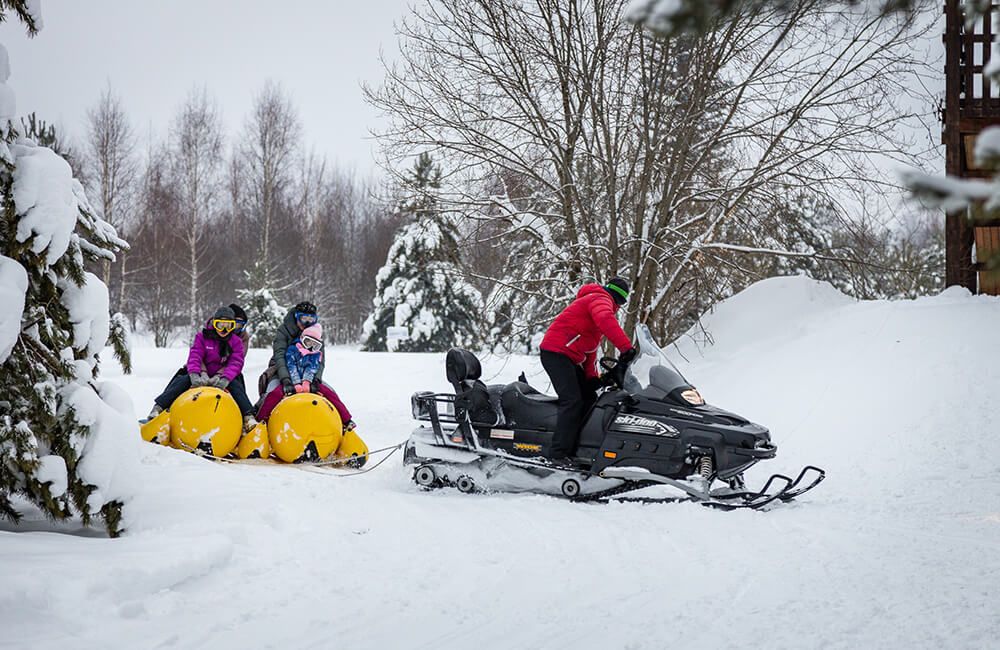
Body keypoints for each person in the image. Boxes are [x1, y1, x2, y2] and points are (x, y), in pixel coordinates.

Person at [538, 277, 637, 463]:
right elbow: (605, 319)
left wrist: (592, 378)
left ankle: (579, 446)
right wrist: (626, 348)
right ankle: (557, 455)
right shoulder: (599, 299)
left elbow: (590, 351)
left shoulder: (596, 305)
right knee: (572, 401)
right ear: (619, 300)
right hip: (555, 353)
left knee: (590, 398)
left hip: (566, 355)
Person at [144, 306, 258, 431]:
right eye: (220, 325)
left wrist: (224, 378)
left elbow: (236, 362)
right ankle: (159, 408)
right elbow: (195, 356)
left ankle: (248, 416)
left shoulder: (236, 341)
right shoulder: (202, 337)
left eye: (228, 325)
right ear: (214, 324)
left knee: (236, 387)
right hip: (201, 373)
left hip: (222, 376)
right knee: (182, 381)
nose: (224, 330)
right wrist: (195, 374)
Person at [256, 322, 355, 429]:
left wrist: (307, 382)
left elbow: (311, 368)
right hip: (290, 380)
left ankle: (346, 420)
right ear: (302, 338)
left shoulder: (315, 354)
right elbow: (291, 367)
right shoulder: (292, 350)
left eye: (314, 345)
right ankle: (261, 419)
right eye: (307, 342)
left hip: (308, 381)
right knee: (275, 394)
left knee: (329, 393)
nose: (310, 347)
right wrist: (296, 383)